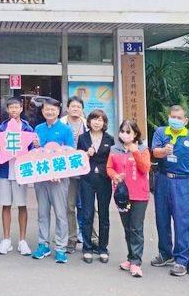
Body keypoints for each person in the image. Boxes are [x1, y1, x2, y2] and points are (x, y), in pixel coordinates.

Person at [150, 104, 189, 277]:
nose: (175, 120)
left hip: (183, 182)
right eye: (173, 117)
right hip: (163, 179)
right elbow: (154, 152)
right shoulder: (161, 132)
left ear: (185, 120)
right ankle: (166, 253)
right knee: (162, 218)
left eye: (179, 118)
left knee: (182, 221)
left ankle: (181, 260)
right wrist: (164, 151)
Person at [31, 97, 75, 264]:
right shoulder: (38, 128)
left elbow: (70, 153)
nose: (49, 112)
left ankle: (61, 248)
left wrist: (59, 172)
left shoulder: (65, 130)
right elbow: (35, 153)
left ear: (58, 111)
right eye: (46, 109)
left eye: (53, 109)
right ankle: (43, 244)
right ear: (42, 111)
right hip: (41, 177)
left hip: (59, 179)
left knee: (60, 213)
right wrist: (35, 147)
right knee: (42, 212)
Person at [107, 119, 150, 278]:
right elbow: (109, 168)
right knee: (127, 227)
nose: (124, 135)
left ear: (136, 134)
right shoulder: (114, 149)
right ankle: (130, 258)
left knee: (136, 227)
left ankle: (136, 263)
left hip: (139, 195)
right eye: (122, 131)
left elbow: (145, 168)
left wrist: (135, 151)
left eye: (128, 132)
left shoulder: (143, 149)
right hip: (122, 195)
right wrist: (115, 176)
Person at [0, 97, 33, 256]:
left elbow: (32, 151)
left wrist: (35, 145)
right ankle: (6, 239)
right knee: (6, 205)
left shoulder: (28, 129)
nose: (14, 110)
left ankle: (22, 240)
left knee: (22, 205)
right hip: (4, 171)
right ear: (7, 110)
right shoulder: (1, 128)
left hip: (21, 171)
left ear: (21, 109)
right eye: (11, 108)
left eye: (16, 107)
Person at [77, 109, 115, 264]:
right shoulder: (83, 138)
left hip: (104, 180)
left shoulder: (110, 139)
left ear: (104, 123)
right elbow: (78, 158)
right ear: (89, 121)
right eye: (94, 119)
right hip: (87, 179)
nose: (97, 122)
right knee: (87, 214)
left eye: (100, 120)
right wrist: (86, 153)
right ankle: (87, 248)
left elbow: (113, 161)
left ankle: (102, 248)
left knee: (104, 215)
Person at [60, 95, 87, 253]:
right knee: (69, 206)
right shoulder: (62, 124)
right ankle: (71, 238)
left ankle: (86, 236)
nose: (75, 109)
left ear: (82, 109)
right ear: (67, 108)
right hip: (67, 170)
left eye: (78, 106)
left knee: (85, 205)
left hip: (84, 171)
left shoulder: (88, 124)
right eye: (73, 106)